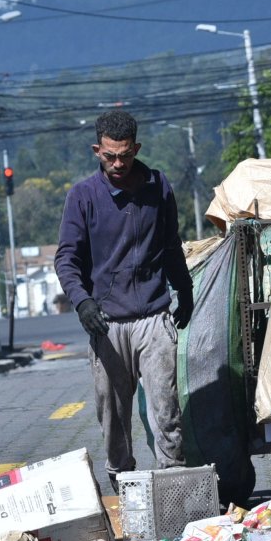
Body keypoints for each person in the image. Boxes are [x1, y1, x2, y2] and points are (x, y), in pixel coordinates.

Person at [55, 110, 193, 487]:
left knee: (166, 409)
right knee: (113, 414)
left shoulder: (158, 187)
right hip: (108, 322)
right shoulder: (82, 197)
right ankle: (121, 479)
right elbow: (66, 258)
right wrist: (83, 303)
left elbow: (170, 244)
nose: (118, 164)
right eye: (110, 156)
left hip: (153, 316)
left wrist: (185, 287)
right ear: (97, 150)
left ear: (137, 148)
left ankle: (175, 481)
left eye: (126, 155)